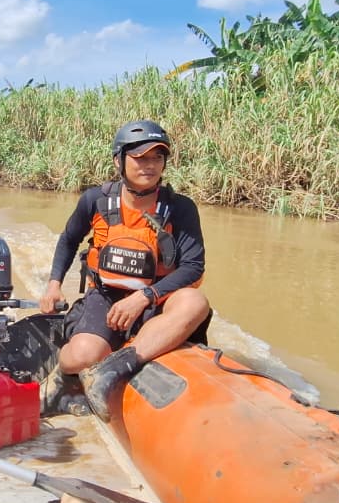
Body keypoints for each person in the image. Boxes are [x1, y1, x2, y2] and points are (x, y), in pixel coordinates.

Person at [39, 119, 212, 421]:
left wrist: (146, 296)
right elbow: (68, 240)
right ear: (119, 159)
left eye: (157, 157)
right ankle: (62, 377)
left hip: (156, 299)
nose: (150, 165)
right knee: (81, 355)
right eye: (140, 157)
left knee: (196, 302)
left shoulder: (181, 208)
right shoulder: (95, 200)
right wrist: (54, 284)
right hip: (106, 297)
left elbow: (193, 267)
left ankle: (113, 368)